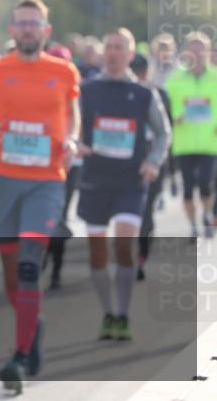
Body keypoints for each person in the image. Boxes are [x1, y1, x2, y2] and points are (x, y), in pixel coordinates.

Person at [0, 0, 81, 394]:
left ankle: (17, 355)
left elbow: (72, 114)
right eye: (21, 24)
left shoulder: (63, 72)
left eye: (35, 24)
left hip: (47, 181)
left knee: (31, 266)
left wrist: (73, 139)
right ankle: (34, 327)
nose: (28, 30)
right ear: (12, 31)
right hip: (2, 181)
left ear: (46, 31)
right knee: (13, 278)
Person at [74, 29, 170, 341]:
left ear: (130, 55)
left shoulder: (144, 94)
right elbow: (68, 123)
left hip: (130, 181)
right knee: (97, 252)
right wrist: (75, 142)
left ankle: (124, 314)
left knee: (123, 245)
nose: (114, 53)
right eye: (110, 47)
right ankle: (107, 314)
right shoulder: (86, 89)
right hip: (94, 179)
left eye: (120, 48)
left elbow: (163, 132)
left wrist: (153, 161)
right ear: (103, 53)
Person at [164, 32, 217, 237]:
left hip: (210, 142)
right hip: (183, 142)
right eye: (193, 49)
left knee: (205, 184)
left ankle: (206, 214)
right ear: (186, 52)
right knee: (188, 189)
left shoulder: (215, 77)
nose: (197, 53)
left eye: (201, 48)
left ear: (207, 51)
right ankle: (193, 225)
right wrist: (174, 117)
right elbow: (164, 108)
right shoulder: (175, 79)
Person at [131, 52, 175, 280]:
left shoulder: (159, 95)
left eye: (140, 73)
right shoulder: (119, 95)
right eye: (133, 73)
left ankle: (141, 257)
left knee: (145, 213)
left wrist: (164, 164)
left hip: (151, 165)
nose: (137, 78)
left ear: (147, 73)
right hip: (125, 165)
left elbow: (166, 133)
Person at [42, 44, 81, 291]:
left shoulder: (77, 92)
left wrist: (75, 143)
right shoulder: (40, 90)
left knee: (59, 217)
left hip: (68, 165)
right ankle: (42, 257)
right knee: (42, 217)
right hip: (41, 165)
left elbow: (83, 124)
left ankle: (56, 268)